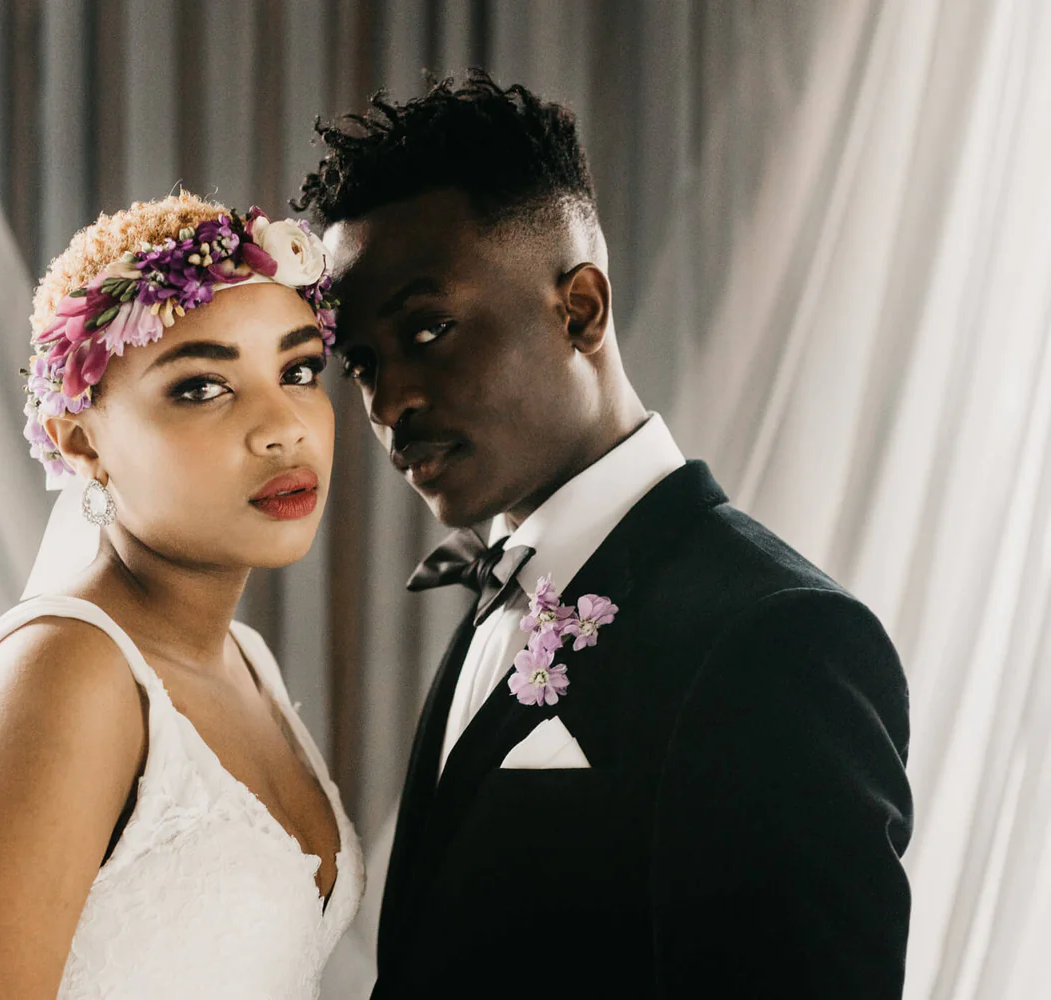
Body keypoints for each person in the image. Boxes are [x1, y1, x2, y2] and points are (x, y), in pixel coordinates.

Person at [296, 71, 913, 997]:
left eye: (426, 329)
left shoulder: (777, 640)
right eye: (364, 364)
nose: (389, 403)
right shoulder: (501, 592)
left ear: (580, 307)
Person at [0, 193, 362, 999]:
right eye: (201, 387)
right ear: (81, 440)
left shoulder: (245, 661)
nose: (282, 426)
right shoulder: (63, 673)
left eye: (298, 371)